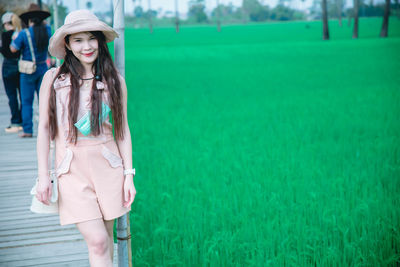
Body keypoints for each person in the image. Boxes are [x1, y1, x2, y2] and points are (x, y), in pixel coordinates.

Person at [35, 9, 136, 266]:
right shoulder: (53, 79)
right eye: (78, 40)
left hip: (108, 166)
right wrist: (43, 176)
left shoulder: (114, 80)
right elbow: (45, 129)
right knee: (98, 241)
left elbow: (122, 131)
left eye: (92, 38)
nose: (87, 46)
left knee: (105, 241)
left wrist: (128, 175)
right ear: (67, 44)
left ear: (100, 41)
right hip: (71, 169)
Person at [10, 4, 52, 138]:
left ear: (30, 20)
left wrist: (14, 39)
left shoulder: (24, 33)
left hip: (27, 71)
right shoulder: (48, 30)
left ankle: (28, 130)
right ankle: (48, 129)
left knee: (27, 101)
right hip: (43, 69)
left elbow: (13, 49)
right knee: (44, 101)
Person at [1, 12, 22, 133]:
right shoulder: (20, 33)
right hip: (20, 65)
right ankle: (24, 120)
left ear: (5, 23)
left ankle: (15, 121)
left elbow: (5, 52)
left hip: (8, 67)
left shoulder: (5, 35)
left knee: (11, 95)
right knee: (22, 95)